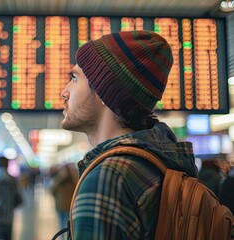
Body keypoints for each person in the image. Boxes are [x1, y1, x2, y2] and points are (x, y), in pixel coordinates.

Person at [59, 30, 198, 239]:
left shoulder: (107, 179)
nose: (64, 92)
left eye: (74, 78)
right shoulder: (161, 163)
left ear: (105, 92)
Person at [50, 162, 78, 238]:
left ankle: (67, 238)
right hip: (60, 207)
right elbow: (52, 191)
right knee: (62, 225)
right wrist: (60, 178)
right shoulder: (58, 180)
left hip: (69, 208)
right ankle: (63, 238)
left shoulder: (73, 181)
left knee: (67, 226)